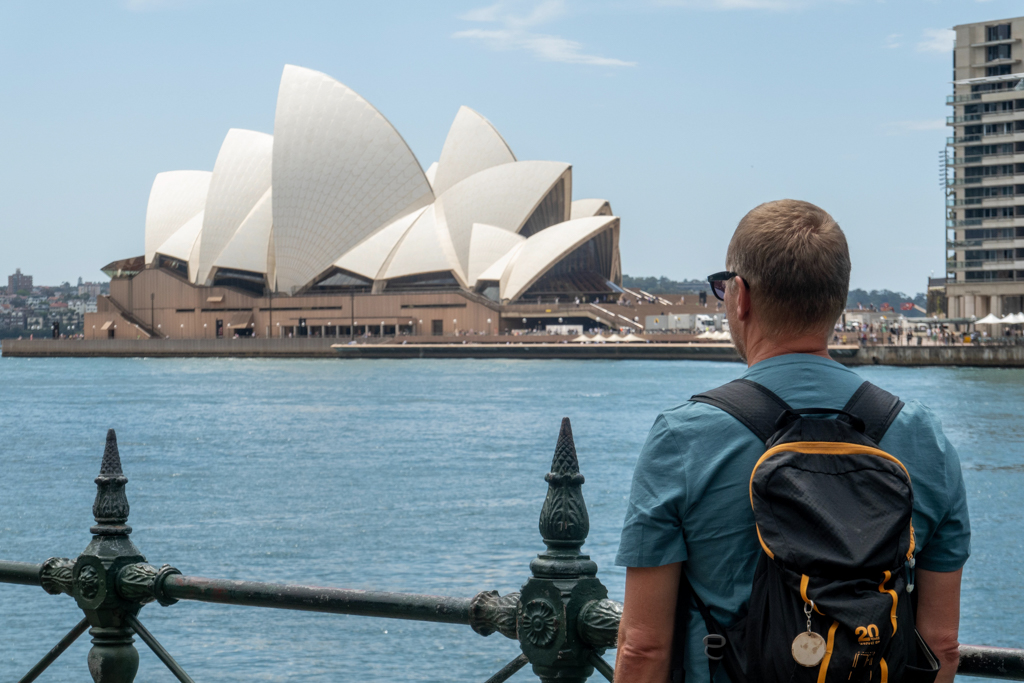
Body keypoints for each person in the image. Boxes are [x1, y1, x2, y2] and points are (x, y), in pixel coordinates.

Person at [614, 200, 969, 683]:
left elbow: (642, 647)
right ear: (839, 302)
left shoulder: (683, 437)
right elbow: (941, 646)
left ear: (739, 297)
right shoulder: (921, 435)